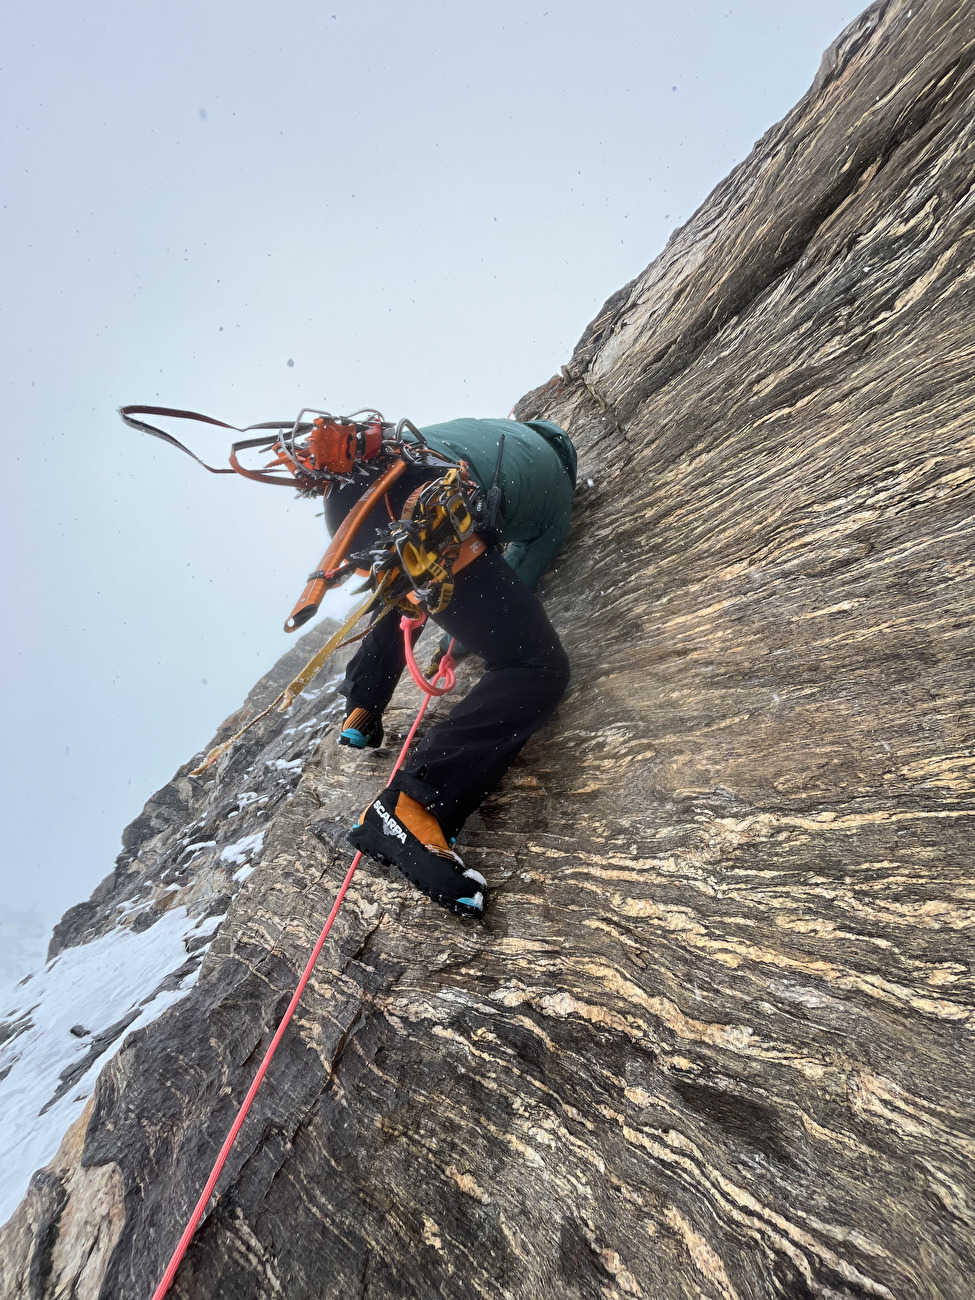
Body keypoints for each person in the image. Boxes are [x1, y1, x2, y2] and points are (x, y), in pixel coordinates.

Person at [328, 416, 576, 917]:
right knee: (535, 664)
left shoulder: (485, 431)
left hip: (352, 505)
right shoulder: (556, 493)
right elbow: (519, 577)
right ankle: (416, 806)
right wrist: (458, 643)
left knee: (409, 575)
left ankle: (363, 703)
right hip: (429, 504)